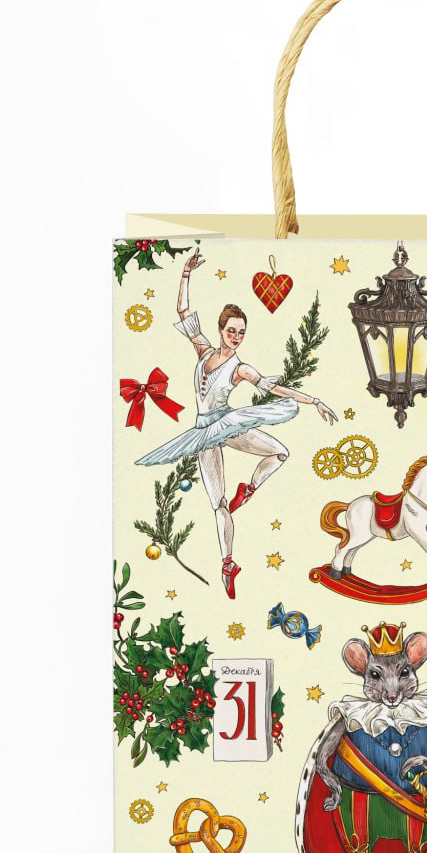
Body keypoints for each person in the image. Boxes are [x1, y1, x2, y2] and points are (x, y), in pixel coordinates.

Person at [136, 248, 336, 598]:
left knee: (280, 452)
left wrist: (314, 400)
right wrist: (185, 273)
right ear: (221, 330)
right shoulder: (204, 351)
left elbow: (273, 388)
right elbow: (182, 311)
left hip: (227, 424)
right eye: (231, 330)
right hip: (203, 433)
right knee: (218, 503)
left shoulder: (240, 368)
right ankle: (228, 563)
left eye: (241, 332)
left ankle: (250, 488)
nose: (236, 336)